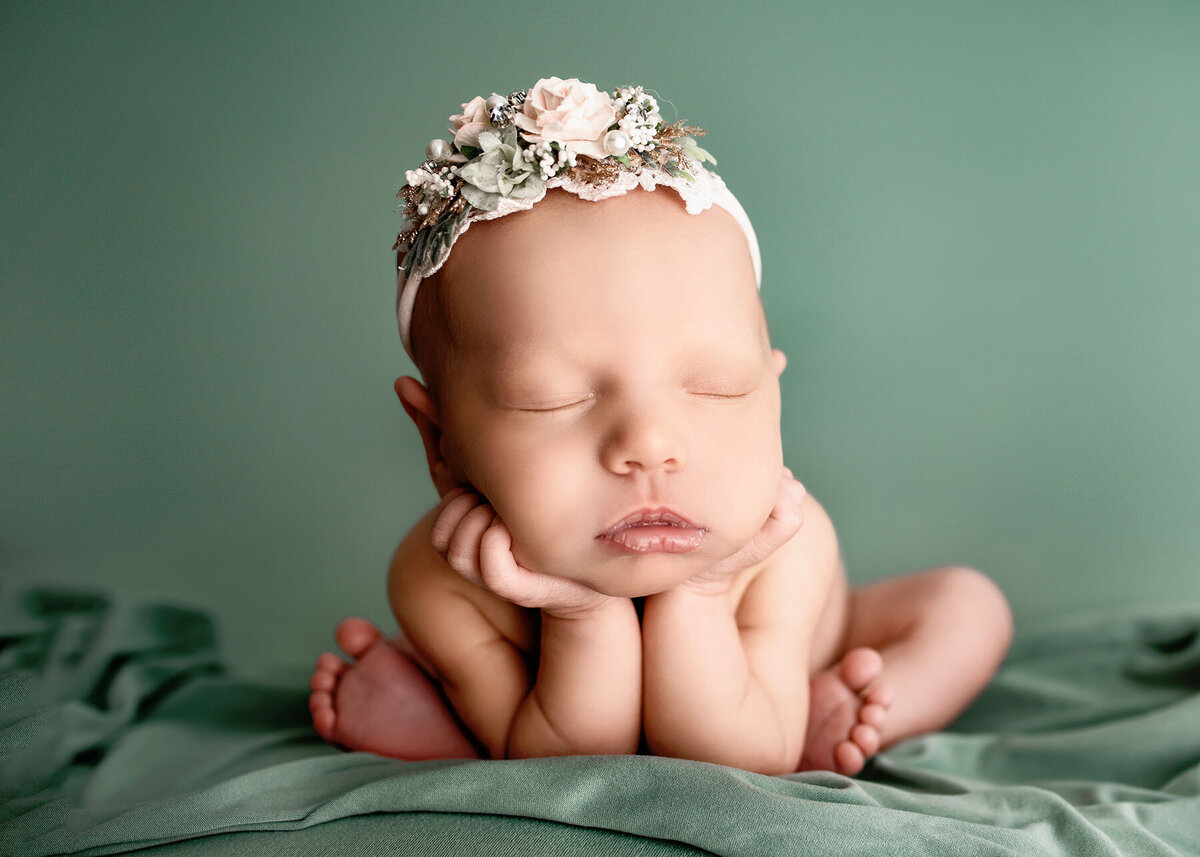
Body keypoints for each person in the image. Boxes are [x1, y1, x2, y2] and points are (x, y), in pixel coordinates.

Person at [309, 77, 1013, 776]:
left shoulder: (785, 546)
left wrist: (704, 591)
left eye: (718, 386)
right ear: (440, 442)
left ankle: (856, 706)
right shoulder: (446, 577)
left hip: (769, 686)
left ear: (771, 393)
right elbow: (572, 763)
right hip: (549, 708)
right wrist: (577, 612)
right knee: (508, 735)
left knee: (967, 606)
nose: (648, 444)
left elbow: (734, 756)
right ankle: (460, 721)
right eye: (551, 400)